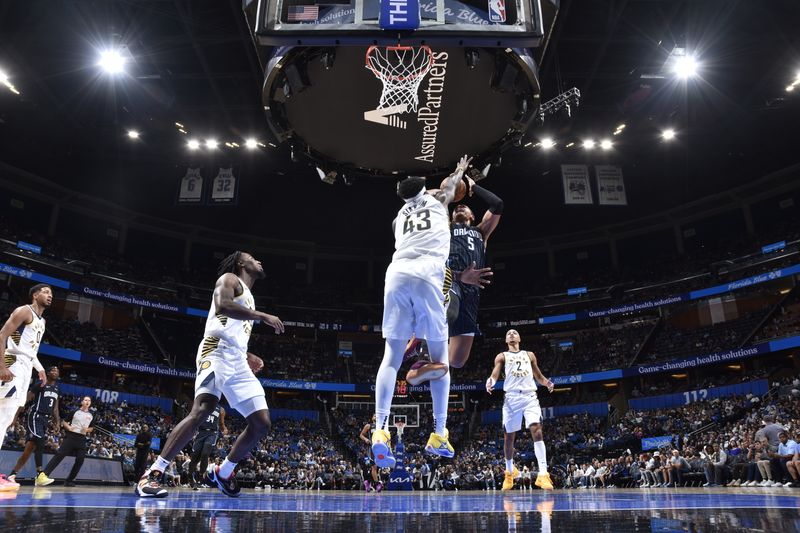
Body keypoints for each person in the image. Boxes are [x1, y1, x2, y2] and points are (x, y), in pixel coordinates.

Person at [136, 251, 284, 498]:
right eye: (253, 257)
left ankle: (224, 472)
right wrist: (263, 316)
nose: (259, 260)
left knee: (261, 423)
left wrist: (247, 355)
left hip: (237, 358)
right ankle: (152, 474)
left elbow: (229, 326)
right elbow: (222, 306)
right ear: (241, 263)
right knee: (204, 407)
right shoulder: (229, 279)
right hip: (215, 350)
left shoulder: (250, 296)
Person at [372, 156, 482, 468]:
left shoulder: (399, 216)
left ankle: (380, 431)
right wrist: (460, 170)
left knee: (389, 359)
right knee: (442, 360)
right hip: (428, 274)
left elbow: (428, 196)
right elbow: (447, 187)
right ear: (425, 191)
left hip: (396, 275)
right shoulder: (439, 203)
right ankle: (438, 433)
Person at [406, 173, 501, 384]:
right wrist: (445, 189)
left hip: (472, 291)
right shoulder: (445, 226)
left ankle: (421, 369)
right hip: (449, 278)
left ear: (473, 216)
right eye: (458, 207)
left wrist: (474, 187)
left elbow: (497, 204)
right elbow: (430, 199)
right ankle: (421, 353)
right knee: (448, 309)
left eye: (465, 207)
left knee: (457, 361)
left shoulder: (481, 232)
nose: (460, 208)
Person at [486, 329, 555, 491]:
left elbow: (538, 375)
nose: (511, 334)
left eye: (514, 332)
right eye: (508, 333)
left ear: (519, 337)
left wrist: (547, 383)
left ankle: (543, 474)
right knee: (509, 437)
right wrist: (490, 381)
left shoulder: (529, 355)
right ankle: (510, 472)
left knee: (536, 430)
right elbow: (495, 374)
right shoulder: (502, 356)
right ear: (505, 340)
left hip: (530, 396)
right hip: (511, 398)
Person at [0, 284, 51, 491]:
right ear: (35, 294)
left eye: (51, 294)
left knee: (8, 418)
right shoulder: (24, 311)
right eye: (46, 292)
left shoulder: (42, 321)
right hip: (11, 363)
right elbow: (2, 335)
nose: (49, 296)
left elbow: (30, 350)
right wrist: (1, 365)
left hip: (25, 368)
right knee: (2, 418)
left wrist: (40, 369)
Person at [6, 365, 61, 487]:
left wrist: (57, 421)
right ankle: (40, 475)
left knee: (29, 449)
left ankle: (12, 475)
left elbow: (55, 407)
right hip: (35, 416)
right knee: (41, 440)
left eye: (57, 370)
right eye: (52, 370)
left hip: (45, 420)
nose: (55, 372)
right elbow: (26, 399)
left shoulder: (57, 388)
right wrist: (15, 416)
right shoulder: (41, 383)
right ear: (47, 373)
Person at [38, 395, 94, 487]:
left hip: (82, 439)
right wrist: (69, 427)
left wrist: (87, 430)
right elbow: (64, 422)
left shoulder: (91, 415)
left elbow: (91, 428)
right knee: (59, 455)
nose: (87, 401)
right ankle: (43, 475)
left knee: (80, 459)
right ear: (82, 402)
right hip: (71, 437)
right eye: (85, 400)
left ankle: (69, 480)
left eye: (89, 400)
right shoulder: (74, 411)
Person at [188, 404, 226, 490]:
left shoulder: (221, 409)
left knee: (205, 454)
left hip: (212, 433)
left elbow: (221, 423)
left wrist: (224, 428)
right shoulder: (202, 405)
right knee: (194, 458)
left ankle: (201, 476)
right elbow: (194, 418)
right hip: (200, 433)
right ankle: (190, 477)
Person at [359, 415, 381, 491]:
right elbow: (361, 435)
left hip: (380, 448)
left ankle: (367, 482)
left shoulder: (381, 427)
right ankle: (377, 484)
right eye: (374, 415)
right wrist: (366, 439)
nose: (376, 416)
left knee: (377, 468)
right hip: (371, 448)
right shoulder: (368, 426)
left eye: (377, 415)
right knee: (374, 466)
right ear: (372, 418)